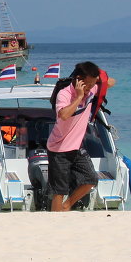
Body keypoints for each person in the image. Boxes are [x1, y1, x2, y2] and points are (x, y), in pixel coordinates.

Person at [46, 61, 116, 212]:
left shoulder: (92, 89)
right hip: (59, 149)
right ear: (78, 79)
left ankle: (67, 205)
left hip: (77, 147)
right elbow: (63, 115)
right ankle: (54, 221)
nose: (90, 87)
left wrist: (99, 76)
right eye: (88, 84)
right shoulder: (64, 94)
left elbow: (111, 82)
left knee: (91, 179)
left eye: (93, 83)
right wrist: (78, 97)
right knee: (59, 191)